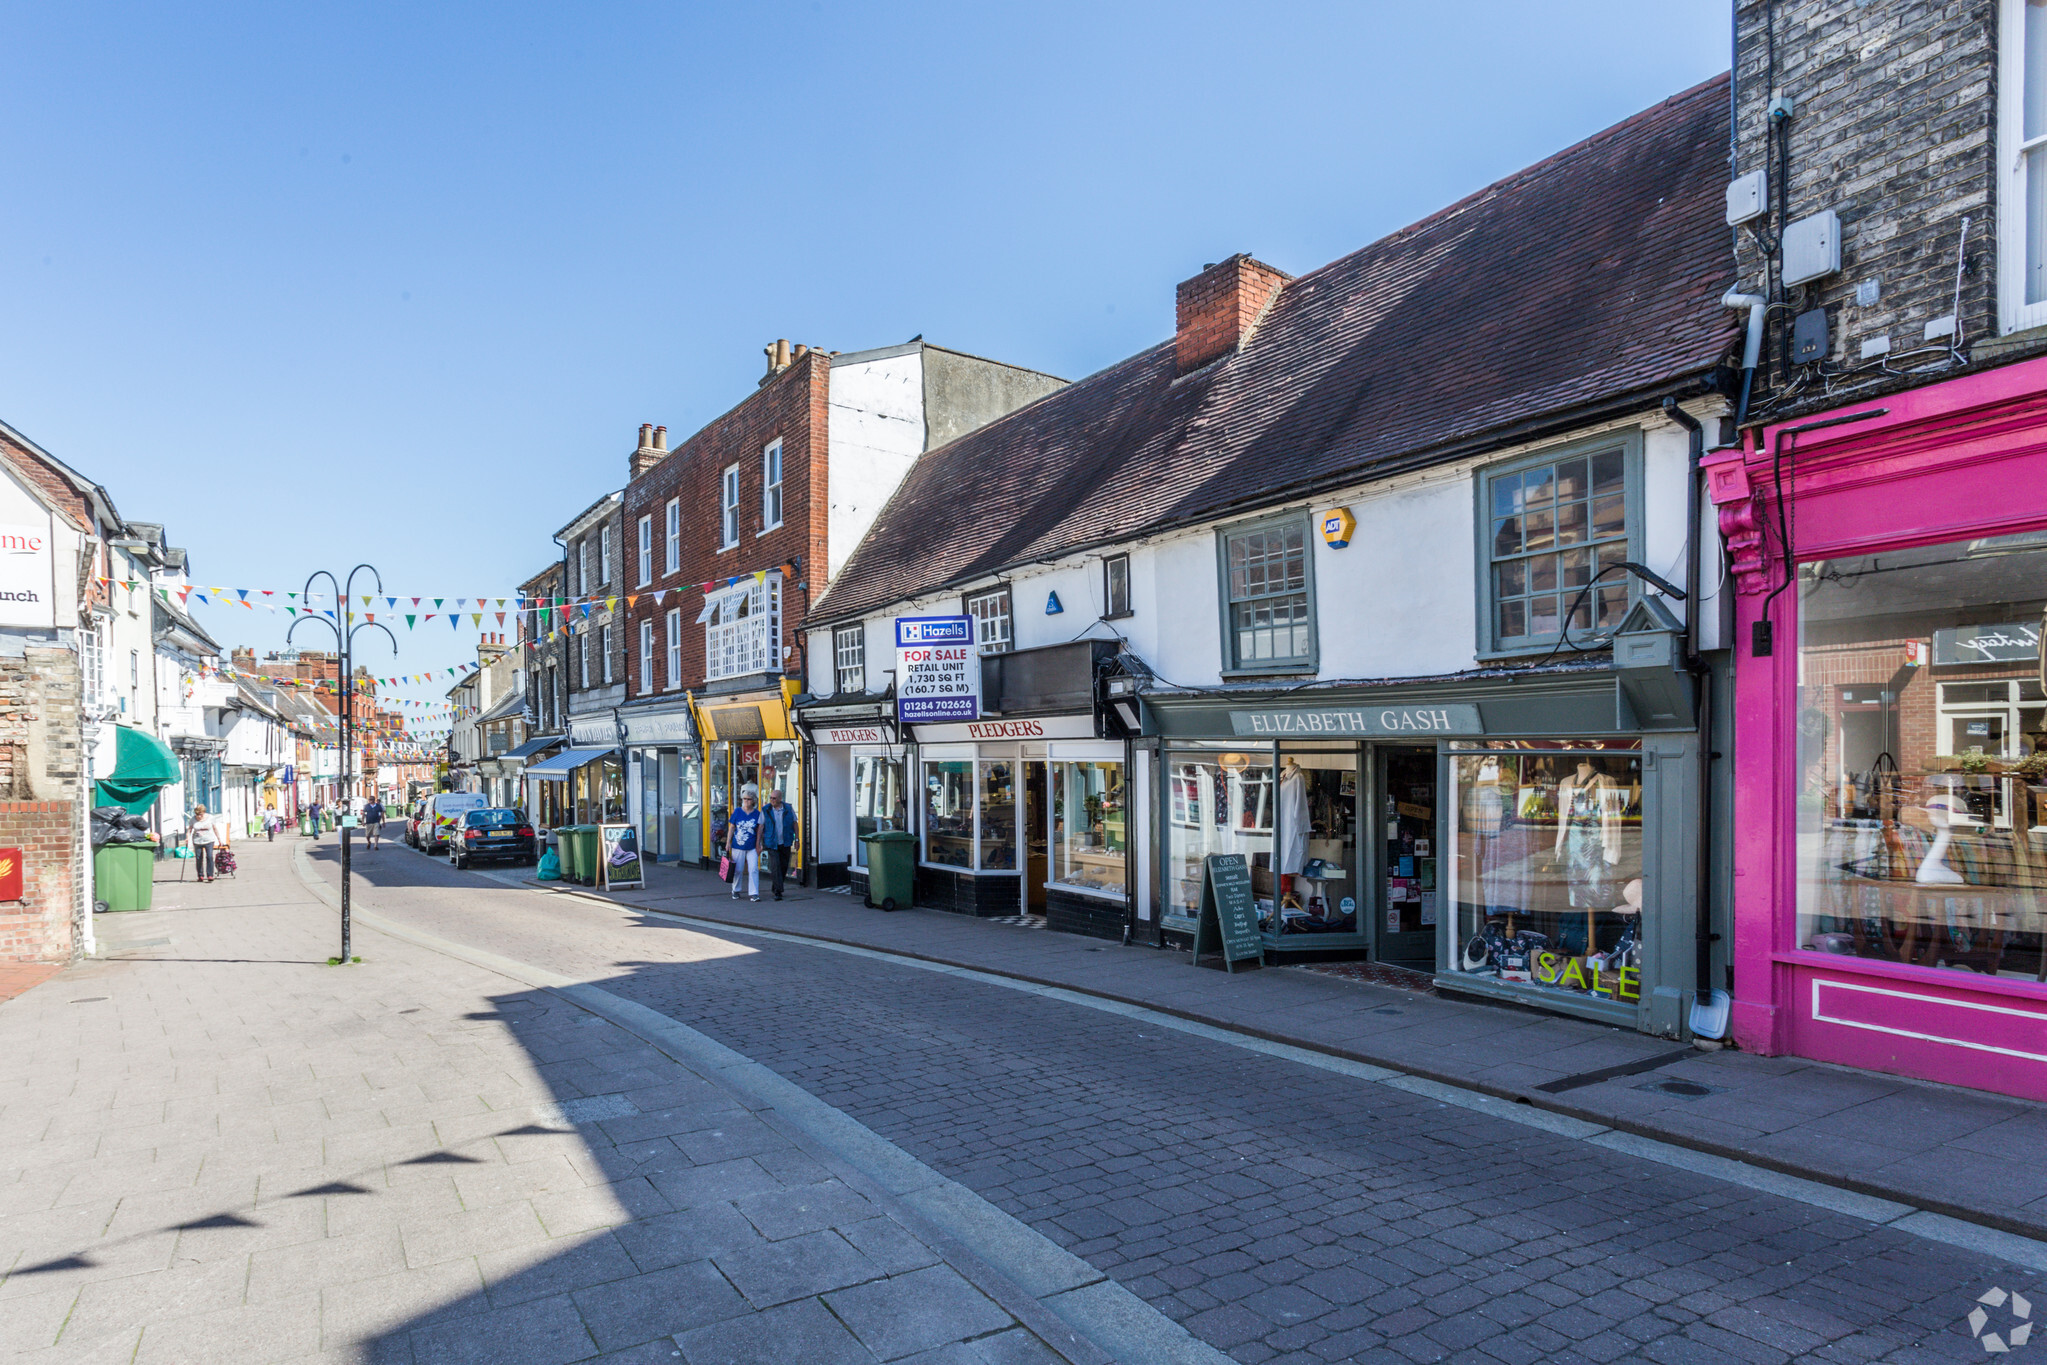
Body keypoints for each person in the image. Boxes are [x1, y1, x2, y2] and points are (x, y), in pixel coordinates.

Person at [760, 786, 799, 901]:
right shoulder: (766, 810)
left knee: (783, 866)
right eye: (771, 798)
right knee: (775, 866)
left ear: (780, 799)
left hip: (785, 842)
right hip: (772, 842)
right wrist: (758, 843)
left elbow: (795, 824)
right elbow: (761, 826)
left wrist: (797, 839)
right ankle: (778, 891)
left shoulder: (788, 808)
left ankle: (775, 887)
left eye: (774, 798)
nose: (772, 800)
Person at [725, 786, 763, 902]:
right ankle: (736, 890)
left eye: (749, 799)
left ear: (753, 801)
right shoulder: (737, 811)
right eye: (744, 799)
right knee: (738, 869)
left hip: (751, 846)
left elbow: (759, 830)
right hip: (738, 845)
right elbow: (732, 827)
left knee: (753, 869)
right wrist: (728, 843)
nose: (746, 801)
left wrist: (759, 844)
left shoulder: (757, 814)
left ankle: (754, 893)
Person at [189, 805, 219, 882]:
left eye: (200, 815)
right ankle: (200, 875)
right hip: (197, 841)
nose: (199, 816)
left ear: (204, 812)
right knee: (198, 858)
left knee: (209, 856)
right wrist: (187, 838)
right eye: (197, 815)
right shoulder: (193, 819)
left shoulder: (210, 818)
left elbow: (215, 828)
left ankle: (210, 875)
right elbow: (189, 829)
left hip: (209, 840)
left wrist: (219, 839)